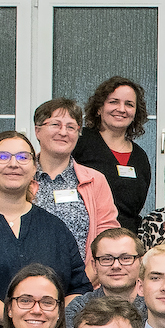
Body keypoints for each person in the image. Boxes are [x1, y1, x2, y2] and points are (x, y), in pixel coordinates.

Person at [0, 130, 90, 326]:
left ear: (34, 168)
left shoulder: (54, 227)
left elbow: (79, 287)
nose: (13, 164)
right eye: (2, 156)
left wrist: (49, 321)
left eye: (23, 157)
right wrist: (17, 320)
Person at [30, 97, 122, 280]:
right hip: (26, 289)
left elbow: (107, 240)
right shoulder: (21, 177)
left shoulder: (95, 180)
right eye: (55, 124)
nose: (63, 132)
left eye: (71, 127)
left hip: (84, 287)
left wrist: (82, 285)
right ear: (37, 131)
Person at [73, 77, 154, 235]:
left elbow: (135, 208)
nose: (121, 109)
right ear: (99, 108)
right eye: (114, 102)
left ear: (136, 113)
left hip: (125, 240)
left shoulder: (140, 157)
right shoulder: (79, 142)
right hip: (85, 235)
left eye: (129, 104)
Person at [64, 225, 145, 328]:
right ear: (94, 266)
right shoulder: (77, 309)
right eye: (106, 259)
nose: (116, 266)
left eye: (126, 258)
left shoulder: (156, 305)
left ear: (141, 262)